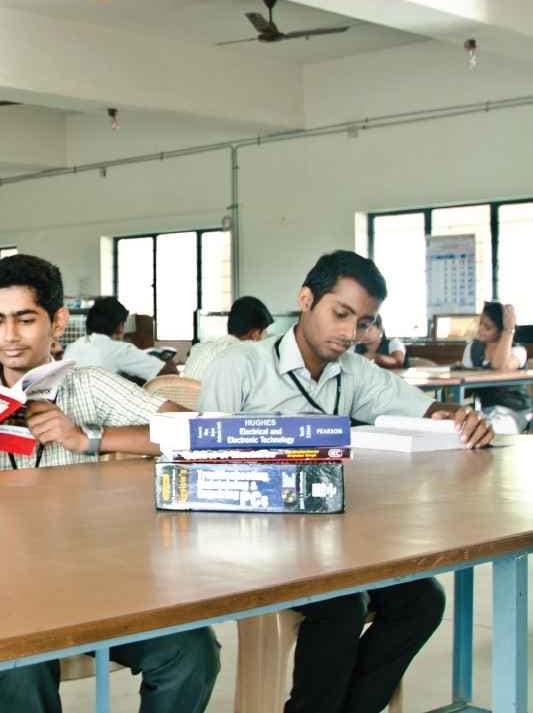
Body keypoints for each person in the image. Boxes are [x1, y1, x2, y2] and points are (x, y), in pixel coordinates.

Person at [200, 250, 493, 713]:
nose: (349, 333)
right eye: (340, 313)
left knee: (423, 600)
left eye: (363, 322)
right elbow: (205, 462)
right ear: (306, 299)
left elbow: (426, 410)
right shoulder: (242, 366)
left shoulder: (353, 372)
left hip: (331, 540)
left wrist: (460, 418)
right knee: (342, 605)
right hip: (253, 539)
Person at [0, 255, 218, 713]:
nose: (9, 337)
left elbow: (198, 436)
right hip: (2, 581)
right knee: (21, 666)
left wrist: (87, 438)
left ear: (57, 322)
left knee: (190, 651)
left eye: (25, 320)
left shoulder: (89, 386)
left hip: (94, 575)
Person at [63, 296, 178, 381]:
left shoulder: (72, 347)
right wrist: (169, 360)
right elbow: (169, 373)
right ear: (119, 327)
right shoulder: (121, 350)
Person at [460, 301, 529, 432]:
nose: (480, 329)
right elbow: (465, 382)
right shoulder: (472, 348)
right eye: (480, 323)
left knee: (488, 430)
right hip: (484, 410)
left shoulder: (518, 351)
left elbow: (500, 366)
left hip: (514, 410)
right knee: (464, 429)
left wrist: (509, 330)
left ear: (501, 330)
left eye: (487, 327)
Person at [182, 295, 274, 380]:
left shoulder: (199, 348)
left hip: (187, 397)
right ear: (256, 334)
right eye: (265, 331)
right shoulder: (245, 354)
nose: (266, 335)